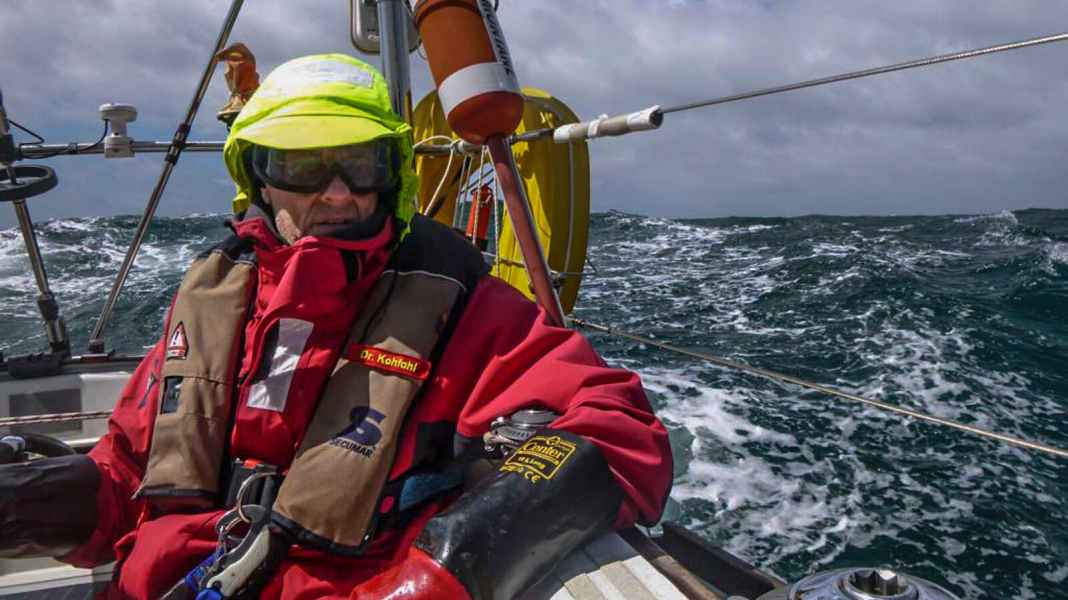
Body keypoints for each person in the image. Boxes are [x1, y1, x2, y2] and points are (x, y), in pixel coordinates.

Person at [0, 54, 672, 600]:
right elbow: (126, 473)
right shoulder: (211, 300)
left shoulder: (464, 307)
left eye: (362, 165)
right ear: (259, 177)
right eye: (302, 166)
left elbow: (618, 428)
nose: (339, 193)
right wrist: (26, 507)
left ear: (392, 176)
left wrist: (439, 573)